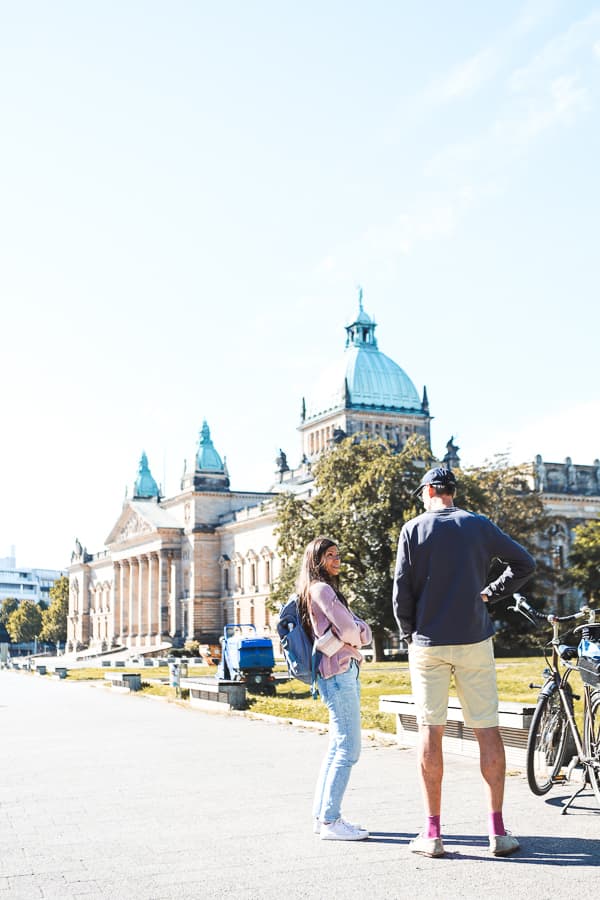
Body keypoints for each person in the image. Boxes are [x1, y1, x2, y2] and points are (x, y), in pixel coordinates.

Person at [392, 467, 535, 859]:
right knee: (488, 731)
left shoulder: (414, 529)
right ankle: (497, 832)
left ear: (431, 490)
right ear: (452, 492)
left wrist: (409, 634)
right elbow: (524, 564)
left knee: (429, 731)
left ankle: (433, 834)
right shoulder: (478, 525)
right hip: (474, 637)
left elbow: (401, 590)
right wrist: (490, 593)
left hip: (428, 642)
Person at [296, 536, 372, 841]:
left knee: (335, 747)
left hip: (332, 672)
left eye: (338, 555)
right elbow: (354, 630)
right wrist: (362, 632)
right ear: (317, 560)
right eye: (330, 555)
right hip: (339, 671)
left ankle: (321, 816)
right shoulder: (323, 590)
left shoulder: (312, 589)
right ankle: (331, 820)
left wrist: (355, 631)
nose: (337, 560)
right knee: (349, 748)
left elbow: (348, 630)